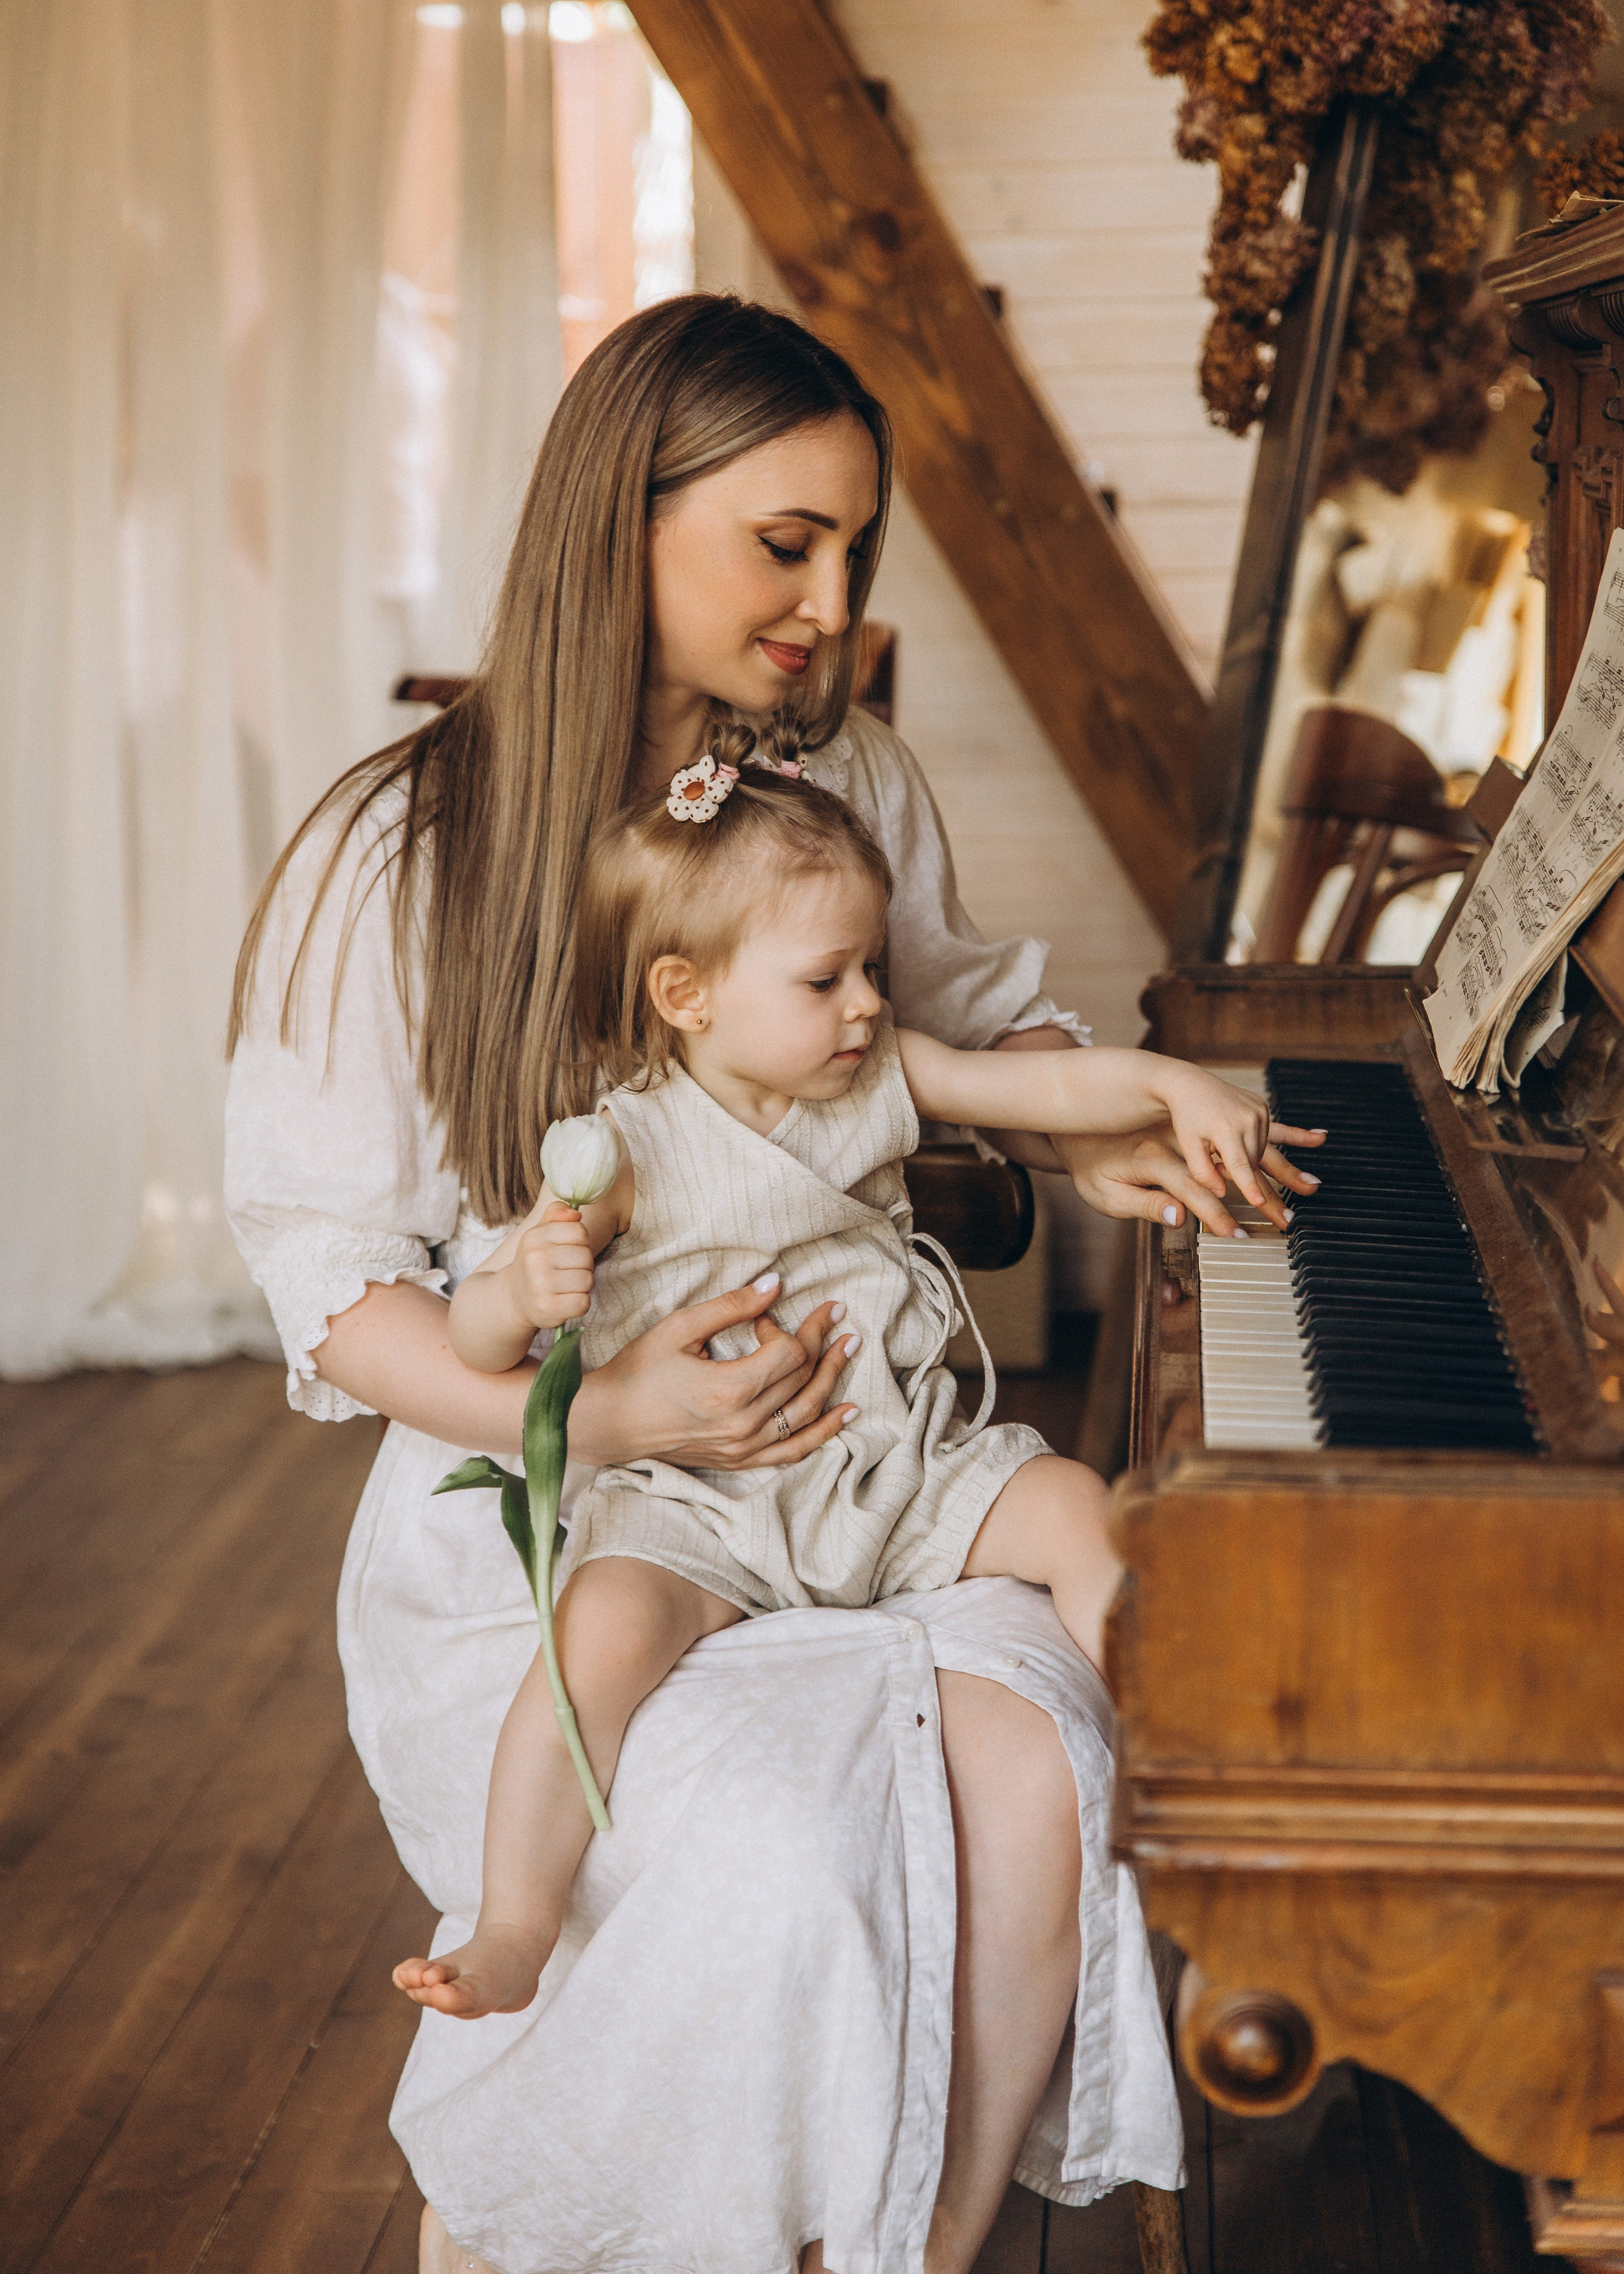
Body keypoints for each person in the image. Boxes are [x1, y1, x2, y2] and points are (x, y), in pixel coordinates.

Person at [225, 294, 1304, 2274]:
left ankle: (921, 2245)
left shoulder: (855, 781)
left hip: (870, 1480)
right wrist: (623, 1410)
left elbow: (945, 1037)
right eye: (779, 543)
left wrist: (1103, 1129)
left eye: (852, 549)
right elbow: (335, 1291)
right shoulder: (397, 850)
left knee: (1039, 1755)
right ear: (620, 524)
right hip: (575, 1518)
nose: (825, 599)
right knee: (785, 1861)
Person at [394, 766, 1316, 2025]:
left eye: (870, 967)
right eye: (825, 980)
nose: (868, 1001)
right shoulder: (623, 1149)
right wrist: (520, 1285)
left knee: (1079, 1510)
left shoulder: (877, 1072)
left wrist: (1172, 1087)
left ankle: (1186, 1788)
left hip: (895, 1464)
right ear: (686, 993)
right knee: (591, 1641)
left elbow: (1042, 1093)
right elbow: (473, 1334)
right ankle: (511, 1921)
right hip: (704, 1501)